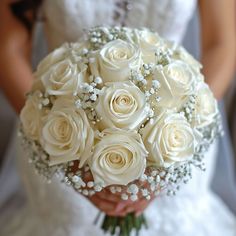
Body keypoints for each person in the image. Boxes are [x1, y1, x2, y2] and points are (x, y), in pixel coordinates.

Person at [0, 0, 236, 235]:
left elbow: (221, 44)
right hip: (62, 137)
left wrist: (186, 119)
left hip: (174, 138)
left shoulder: (177, 133)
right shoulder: (62, 144)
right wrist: (63, 145)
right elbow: (9, 50)